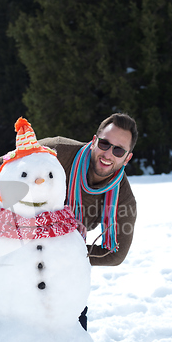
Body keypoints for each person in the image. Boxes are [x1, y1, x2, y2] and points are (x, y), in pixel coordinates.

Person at [39, 113, 138, 328]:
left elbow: (116, 252)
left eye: (119, 150)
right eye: (104, 143)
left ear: (127, 158)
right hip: (21, 255)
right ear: (94, 141)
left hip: (65, 273)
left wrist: (66, 253)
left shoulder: (123, 198)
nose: (108, 154)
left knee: (70, 341)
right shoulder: (56, 152)